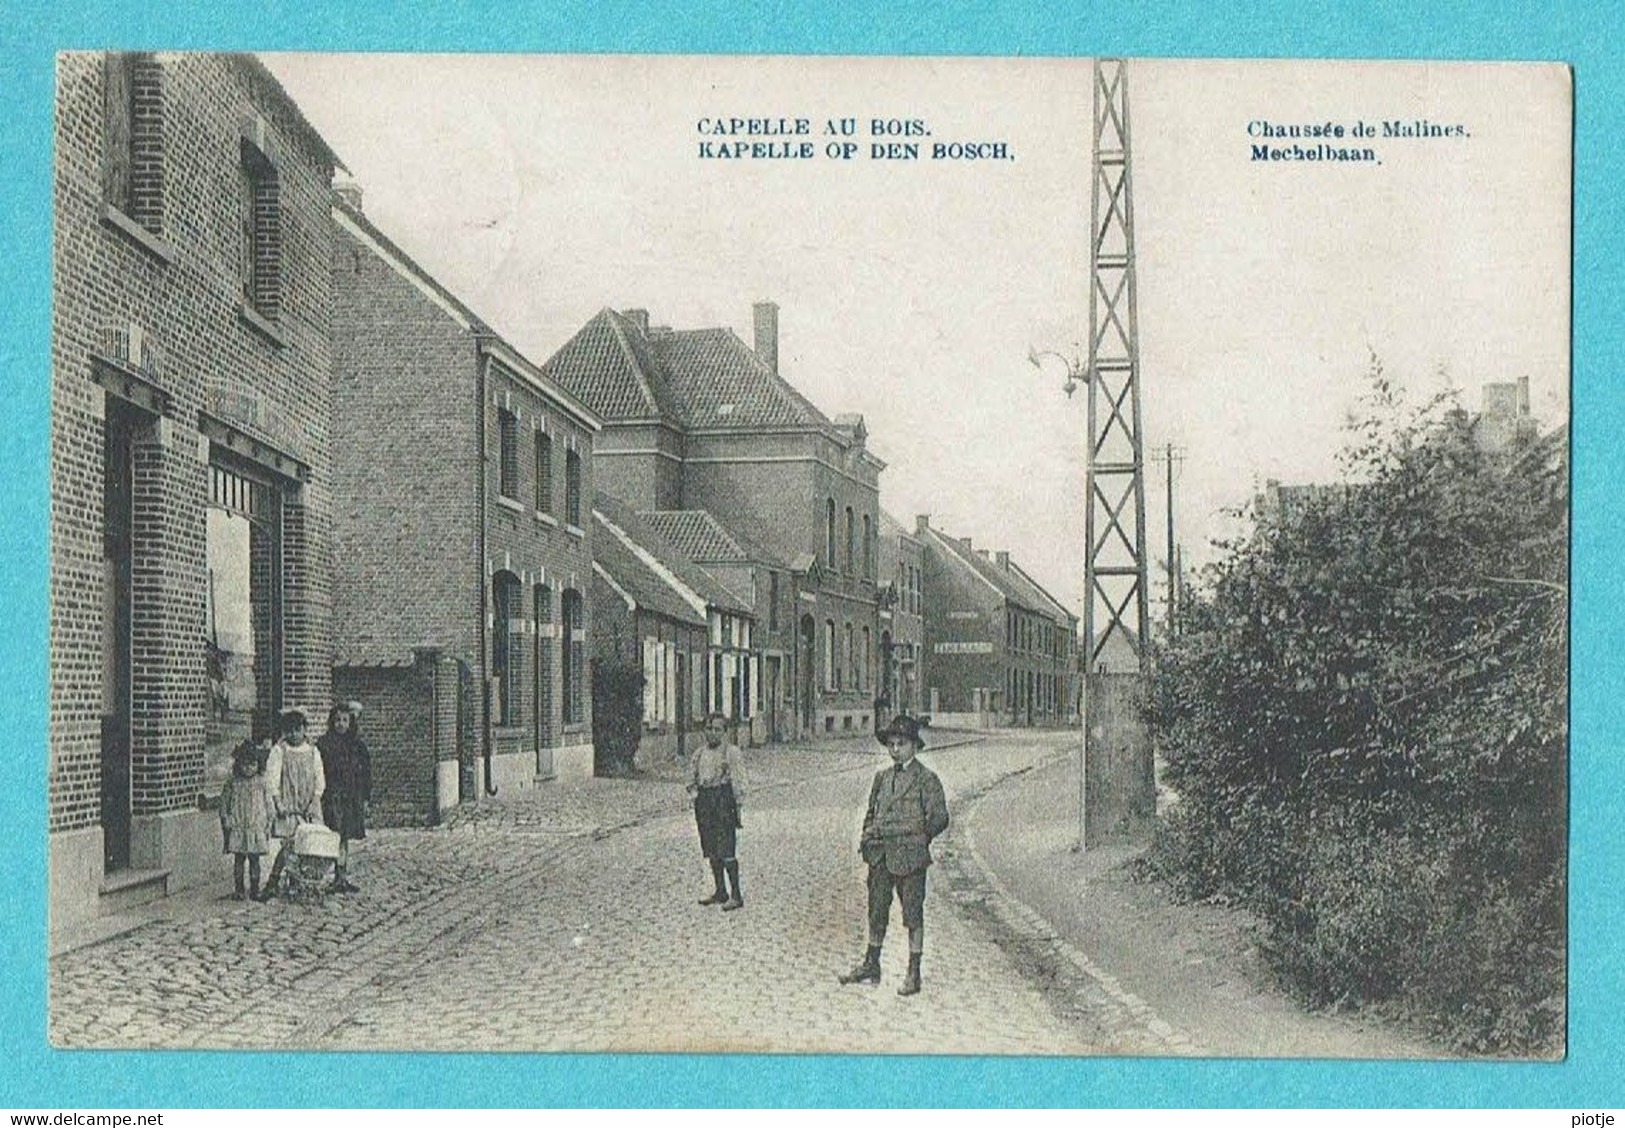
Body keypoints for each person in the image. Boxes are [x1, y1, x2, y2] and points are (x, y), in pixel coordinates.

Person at [838, 713, 949, 996]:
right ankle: (871, 963)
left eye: (901, 744)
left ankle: (914, 971)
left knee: (912, 913)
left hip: (910, 858)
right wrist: (867, 835)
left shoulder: (926, 779)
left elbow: (939, 817)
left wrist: (920, 839)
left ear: (915, 746)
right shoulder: (882, 778)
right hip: (881, 856)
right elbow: (871, 812)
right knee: (876, 910)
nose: (895, 749)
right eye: (890, 744)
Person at [256, 709, 326, 901]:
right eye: (290, 731)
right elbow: (272, 779)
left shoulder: (313, 752)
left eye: (298, 729)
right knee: (288, 845)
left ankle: (298, 882)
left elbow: (319, 778)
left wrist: (315, 800)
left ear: (304, 729)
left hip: (308, 805)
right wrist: (278, 801)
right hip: (288, 805)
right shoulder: (280, 751)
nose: (294, 734)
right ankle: (273, 881)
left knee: (307, 844)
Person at [688, 711, 745, 911]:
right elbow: (691, 779)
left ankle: (736, 895)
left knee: (726, 847)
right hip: (705, 802)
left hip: (724, 801)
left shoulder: (731, 753)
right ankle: (721, 891)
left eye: (717, 729)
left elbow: (738, 781)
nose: (713, 733)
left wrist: (737, 805)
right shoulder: (699, 754)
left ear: (725, 732)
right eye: (709, 729)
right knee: (710, 847)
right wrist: (695, 794)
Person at [318, 700, 371, 894]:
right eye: (337, 720)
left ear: (350, 723)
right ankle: (328, 875)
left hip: (350, 798)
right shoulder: (324, 745)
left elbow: (366, 774)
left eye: (345, 720)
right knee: (333, 835)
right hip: (332, 797)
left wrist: (365, 798)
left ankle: (341, 876)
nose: (341, 724)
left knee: (344, 838)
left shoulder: (357, 747)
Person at [218, 740, 273, 901]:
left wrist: (269, 820)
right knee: (239, 859)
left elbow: (268, 802)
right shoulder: (233, 783)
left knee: (255, 860)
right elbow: (224, 803)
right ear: (238, 764)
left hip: (255, 825)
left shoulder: (261, 782)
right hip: (238, 825)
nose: (249, 768)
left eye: (252, 764)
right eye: (245, 764)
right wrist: (226, 818)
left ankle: (255, 889)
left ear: (258, 764)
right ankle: (239, 889)